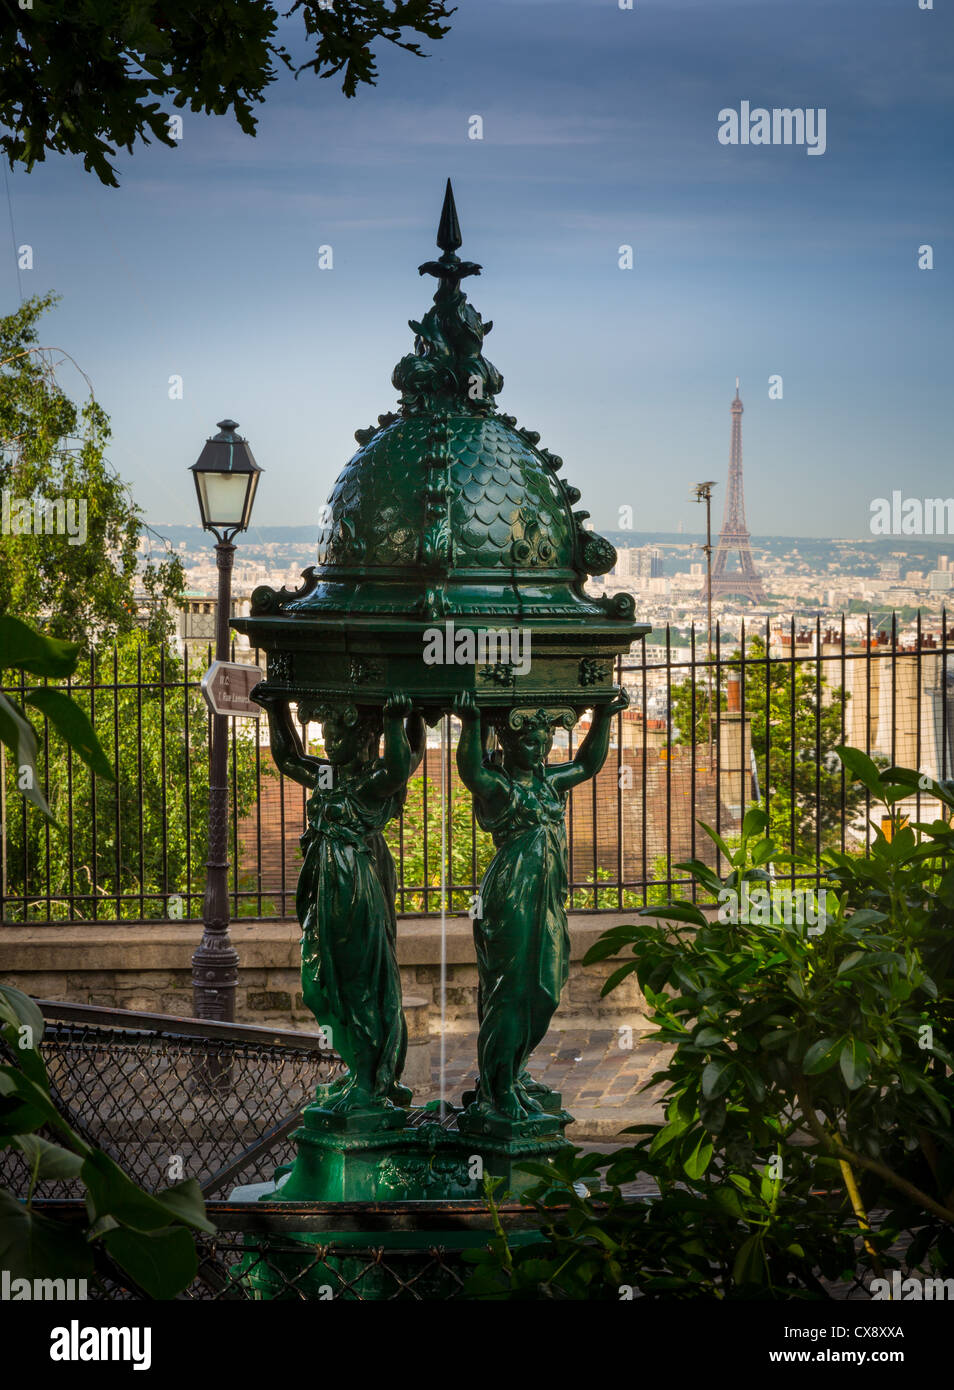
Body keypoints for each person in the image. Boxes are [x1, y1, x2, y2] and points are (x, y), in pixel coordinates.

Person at [453, 688, 630, 1125]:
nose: (540, 748)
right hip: (512, 896)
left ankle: (514, 1069)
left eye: (544, 739)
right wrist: (471, 723)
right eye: (529, 741)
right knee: (509, 991)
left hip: (547, 898)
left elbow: (589, 764)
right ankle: (498, 1090)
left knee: (544, 988)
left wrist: (606, 714)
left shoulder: (550, 782)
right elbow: (472, 769)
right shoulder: (500, 787)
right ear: (509, 742)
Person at [259, 690, 421, 1115]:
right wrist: (274, 709)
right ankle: (357, 1067)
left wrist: (399, 717)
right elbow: (291, 760)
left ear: (363, 738)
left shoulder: (371, 784)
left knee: (357, 984)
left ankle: (369, 1082)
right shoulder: (331, 778)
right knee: (318, 986)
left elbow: (404, 761)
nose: (328, 746)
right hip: (324, 886)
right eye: (326, 740)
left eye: (336, 739)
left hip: (352, 887)